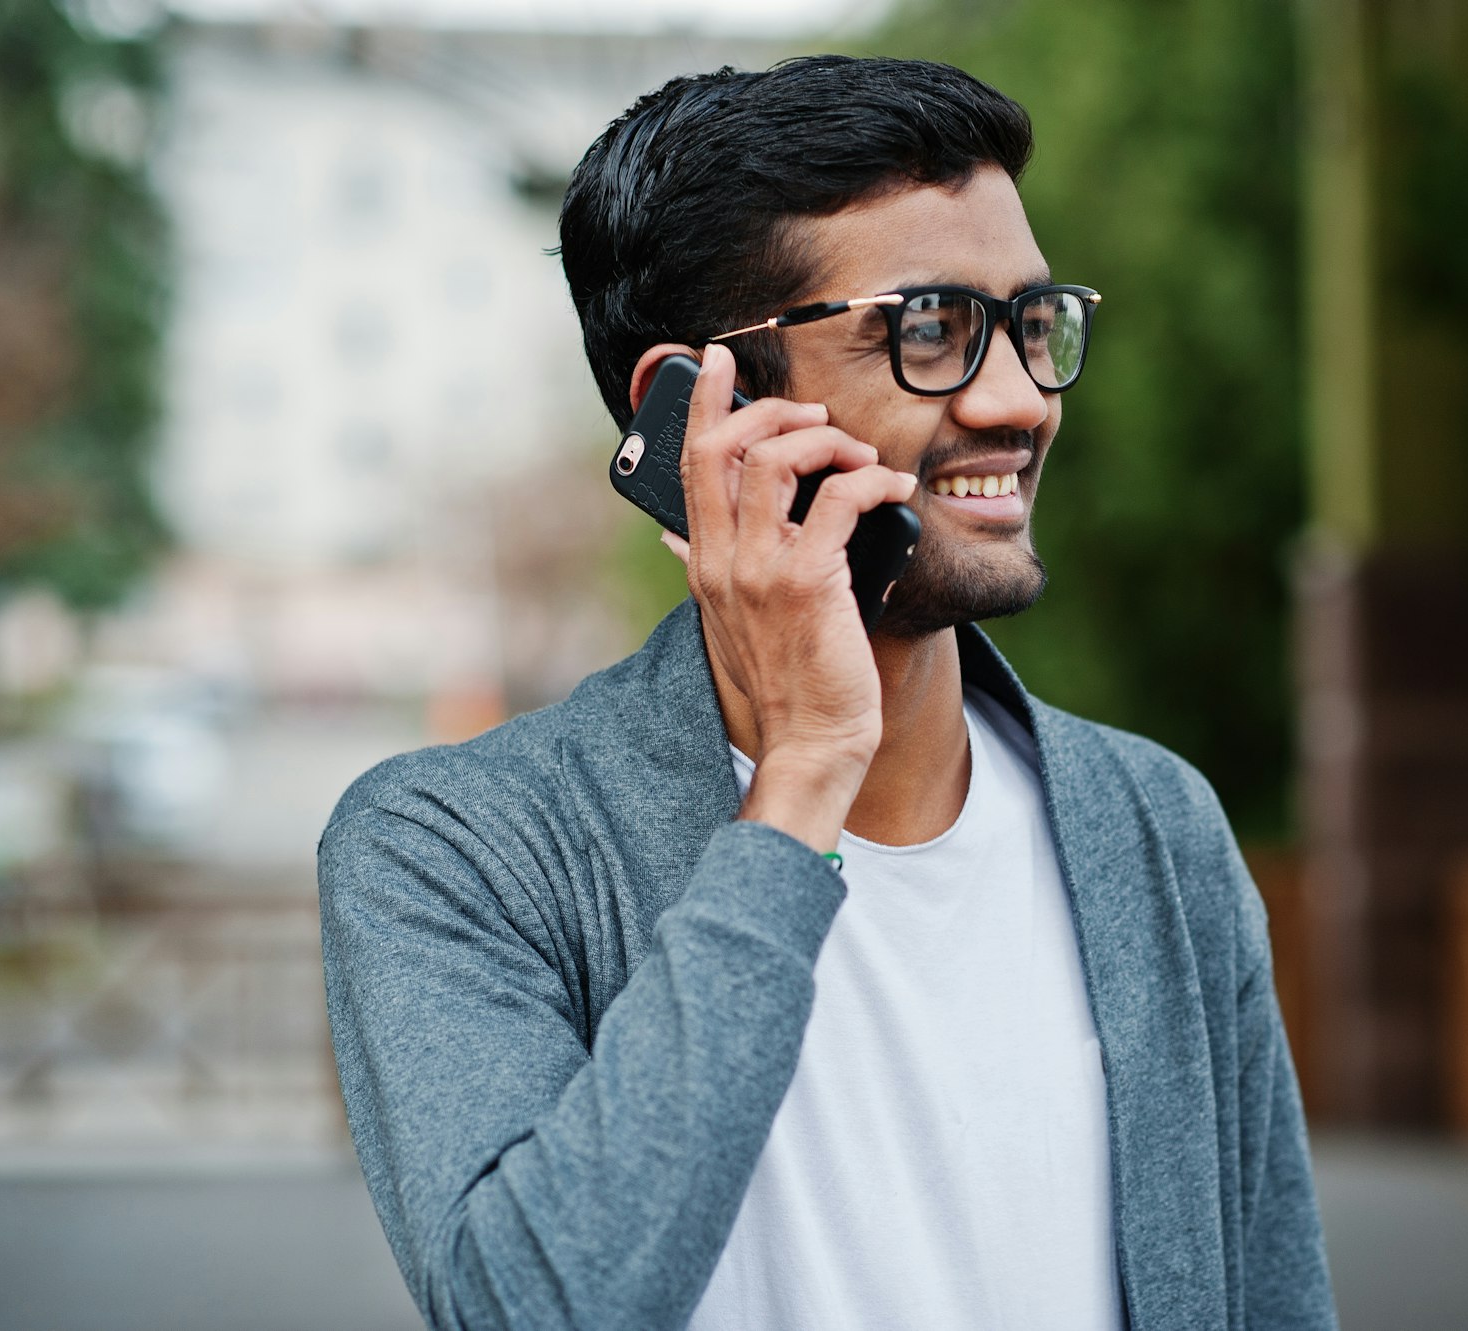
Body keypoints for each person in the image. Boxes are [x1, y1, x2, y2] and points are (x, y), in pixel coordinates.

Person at [319, 54, 1336, 1331]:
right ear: (700, 409)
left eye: (1033, 324)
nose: (1019, 400)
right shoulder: (456, 845)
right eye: (925, 330)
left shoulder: (1152, 826)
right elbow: (534, 1304)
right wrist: (802, 771)